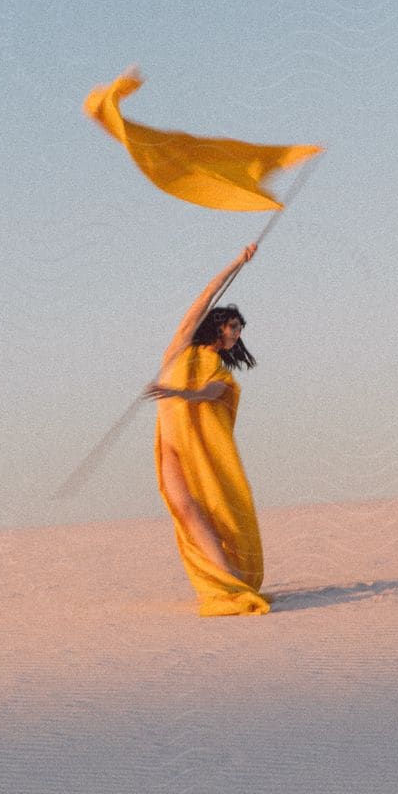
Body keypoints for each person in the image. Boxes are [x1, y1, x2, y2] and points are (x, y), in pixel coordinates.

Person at [144, 243, 271, 616]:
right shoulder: (180, 349)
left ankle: (229, 579)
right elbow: (206, 296)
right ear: (217, 325)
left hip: (196, 451)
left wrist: (180, 391)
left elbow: (212, 392)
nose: (237, 334)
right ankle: (225, 577)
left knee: (196, 508)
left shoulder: (217, 371)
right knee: (183, 509)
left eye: (240, 330)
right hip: (169, 444)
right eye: (233, 326)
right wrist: (236, 261)